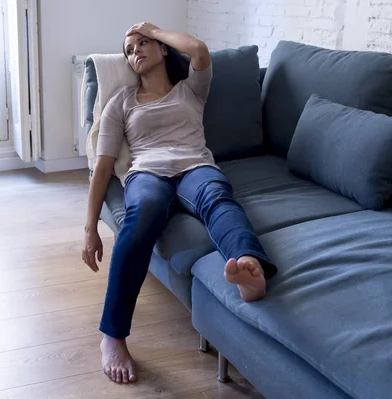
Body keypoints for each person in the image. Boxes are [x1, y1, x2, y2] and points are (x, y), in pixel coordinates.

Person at [81, 23, 278, 385]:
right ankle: (113, 335)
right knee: (140, 217)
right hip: (147, 174)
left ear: (163, 49)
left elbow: (199, 51)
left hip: (195, 167)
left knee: (218, 196)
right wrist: (90, 228)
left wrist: (153, 29)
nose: (136, 51)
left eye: (144, 44)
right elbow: (105, 165)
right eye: (129, 49)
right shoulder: (120, 102)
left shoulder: (191, 89)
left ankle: (250, 268)